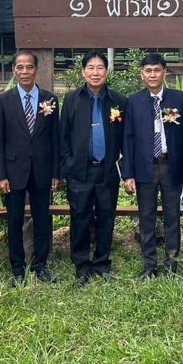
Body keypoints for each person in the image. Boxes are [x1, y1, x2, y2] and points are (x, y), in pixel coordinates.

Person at [0, 50, 60, 285]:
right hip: (13, 171)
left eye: (29, 67)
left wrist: (56, 172)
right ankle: (17, 268)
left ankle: (41, 264)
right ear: (13, 71)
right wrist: (0, 175)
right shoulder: (2, 101)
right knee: (14, 221)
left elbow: (55, 138)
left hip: (42, 170)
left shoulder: (50, 99)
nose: (24, 71)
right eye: (19, 67)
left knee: (42, 219)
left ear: (36, 70)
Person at [59, 51, 127, 285]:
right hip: (80, 170)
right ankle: (82, 264)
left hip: (107, 170)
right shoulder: (72, 99)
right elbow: (63, 136)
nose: (95, 72)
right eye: (90, 68)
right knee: (80, 216)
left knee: (107, 216)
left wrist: (124, 169)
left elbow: (126, 138)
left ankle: (102, 262)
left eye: (100, 68)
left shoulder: (118, 101)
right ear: (83, 72)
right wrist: (69, 164)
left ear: (107, 71)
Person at [122, 52, 183, 278]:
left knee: (172, 216)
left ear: (165, 73)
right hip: (145, 167)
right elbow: (128, 139)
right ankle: (149, 265)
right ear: (142, 74)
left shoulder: (179, 99)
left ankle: (172, 265)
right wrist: (128, 174)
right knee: (146, 218)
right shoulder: (133, 101)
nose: (152, 75)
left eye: (157, 70)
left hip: (171, 166)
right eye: (148, 71)